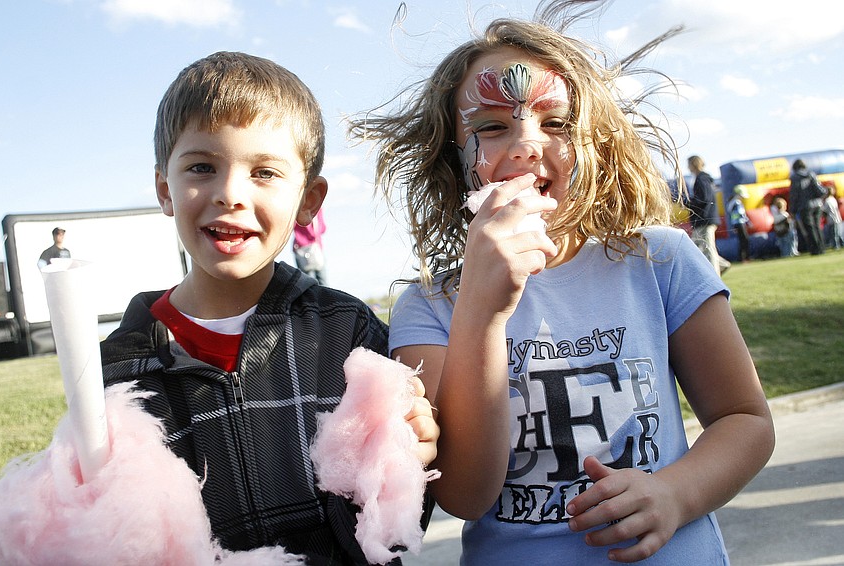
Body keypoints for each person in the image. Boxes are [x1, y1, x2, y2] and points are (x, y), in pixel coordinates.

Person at [350, 2, 774, 564]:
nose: (527, 146)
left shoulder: (660, 262)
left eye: (556, 124)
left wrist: (676, 491)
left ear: (594, 147)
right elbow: (464, 494)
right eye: (492, 127)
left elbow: (745, 421)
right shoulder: (427, 308)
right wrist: (481, 308)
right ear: (453, 160)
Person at [99, 51, 438, 562]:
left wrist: (413, 461)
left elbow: (395, 525)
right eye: (201, 167)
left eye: (264, 173)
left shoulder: (347, 333)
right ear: (164, 189)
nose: (230, 194)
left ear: (309, 201)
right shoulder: (118, 368)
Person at [686, 156, 727, 275]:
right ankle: (722, 264)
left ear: (693, 164)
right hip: (704, 219)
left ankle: (715, 276)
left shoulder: (701, 179)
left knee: (707, 248)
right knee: (697, 247)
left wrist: (687, 202)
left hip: (704, 219)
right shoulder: (703, 179)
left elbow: (703, 199)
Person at [789, 158, 826, 255]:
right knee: (817, 226)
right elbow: (819, 189)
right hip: (817, 204)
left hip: (805, 206)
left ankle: (815, 249)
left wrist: (792, 210)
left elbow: (794, 195)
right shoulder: (811, 174)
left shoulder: (795, 177)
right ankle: (821, 247)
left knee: (810, 228)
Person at [293, 207, 328, 284]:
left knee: (308, 284)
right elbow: (322, 229)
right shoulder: (317, 208)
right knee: (323, 282)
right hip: (315, 248)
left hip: (300, 249)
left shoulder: (295, 209)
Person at [727, 185, 752, 262]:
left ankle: (742, 258)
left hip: (736, 224)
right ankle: (745, 258)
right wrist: (748, 222)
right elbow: (741, 214)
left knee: (742, 240)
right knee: (744, 240)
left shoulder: (732, 203)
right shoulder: (737, 203)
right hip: (740, 223)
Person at [821, 185, 843, 249]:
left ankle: (836, 245)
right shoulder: (833, 199)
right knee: (838, 232)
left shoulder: (827, 201)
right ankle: (839, 244)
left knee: (834, 233)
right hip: (837, 218)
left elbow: (824, 211)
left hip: (832, 218)